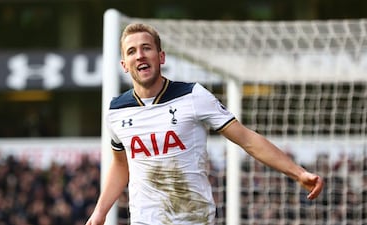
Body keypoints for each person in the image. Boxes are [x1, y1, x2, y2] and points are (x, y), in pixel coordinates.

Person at [86, 23, 324, 225]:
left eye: (146, 48)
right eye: (132, 51)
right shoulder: (116, 110)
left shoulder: (193, 96)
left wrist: (298, 173)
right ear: (124, 64)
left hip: (194, 218)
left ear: (161, 57)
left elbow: (248, 140)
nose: (140, 55)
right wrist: (99, 213)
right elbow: (121, 165)